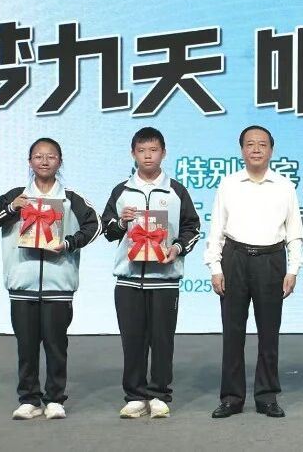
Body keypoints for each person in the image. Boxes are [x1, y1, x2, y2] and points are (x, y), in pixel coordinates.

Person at [0, 137, 101, 420]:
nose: (44, 161)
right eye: (38, 156)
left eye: (51, 156)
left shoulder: (71, 199)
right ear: (30, 161)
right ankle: (29, 400)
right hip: (23, 285)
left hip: (59, 285)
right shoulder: (16, 197)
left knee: (57, 346)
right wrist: (11, 209)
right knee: (26, 346)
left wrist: (69, 243)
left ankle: (55, 399)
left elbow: (95, 225)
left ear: (60, 161)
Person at [101, 127, 201, 419]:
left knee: (162, 340)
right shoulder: (122, 191)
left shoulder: (176, 191)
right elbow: (107, 230)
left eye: (153, 150)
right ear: (133, 154)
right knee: (132, 340)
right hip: (128, 279)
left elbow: (192, 228)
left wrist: (178, 248)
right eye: (142, 150)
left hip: (165, 280)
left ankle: (159, 394)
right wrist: (122, 222)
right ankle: (134, 395)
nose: (148, 156)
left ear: (163, 153)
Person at [207, 125, 303, 419]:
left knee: (269, 332)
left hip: (271, 260)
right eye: (250, 144)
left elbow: (294, 232)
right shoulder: (229, 184)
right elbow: (216, 229)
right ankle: (231, 398)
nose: (256, 149)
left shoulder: (284, 186)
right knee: (232, 332)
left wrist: (293, 269)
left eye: (262, 144)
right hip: (234, 258)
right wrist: (215, 267)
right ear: (242, 150)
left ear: (271, 150)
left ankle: (267, 396)